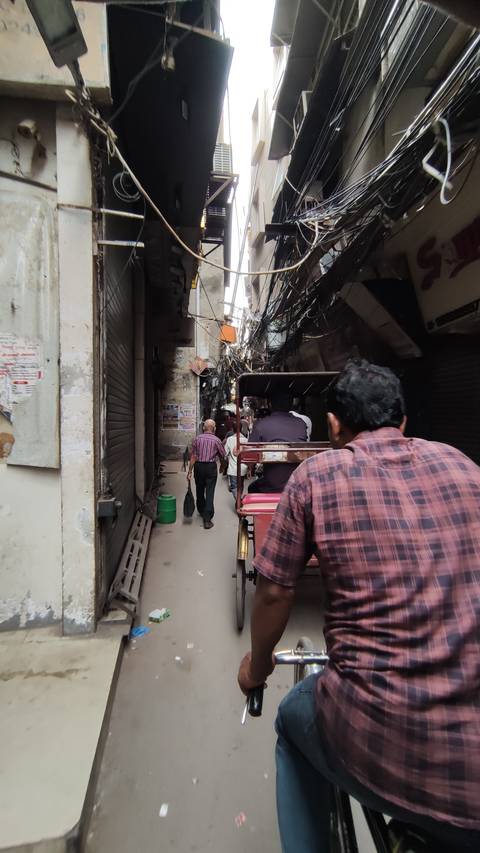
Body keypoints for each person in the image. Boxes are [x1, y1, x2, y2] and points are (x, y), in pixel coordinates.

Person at [238, 360, 480, 852]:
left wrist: (256, 667)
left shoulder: (314, 476)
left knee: (290, 719)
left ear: (332, 425)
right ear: (404, 421)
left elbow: (274, 591)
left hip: (376, 736)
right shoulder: (464, 465)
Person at [248, 392, 307, 493]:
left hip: (271, 486)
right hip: (298, 484)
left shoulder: (261, 424)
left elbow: (249, 457)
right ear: (291, 405)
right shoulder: (301, 423)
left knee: (252, 487)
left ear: (270, 404)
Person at [187, 419, 225, 529]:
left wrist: (190, 471)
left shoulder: (197, 439)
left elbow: (193, 456)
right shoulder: (217, 440)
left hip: (198, 467)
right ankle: (207, 519)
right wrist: (222, 466)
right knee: (210, 491)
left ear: (203, 428)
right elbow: (223, 455)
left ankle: (201, 509)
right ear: (215, 428)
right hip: (210, 468)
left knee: (199, 489)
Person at [224, 420, 249, 501]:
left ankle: (239, 501)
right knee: (241, 485)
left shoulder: (229, 440)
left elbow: (225, 453)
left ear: (232, 429)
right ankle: (239, 501)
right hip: (243, 468)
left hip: (232, 468)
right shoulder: (246, 440)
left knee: (234, 486)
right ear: (241, 429)